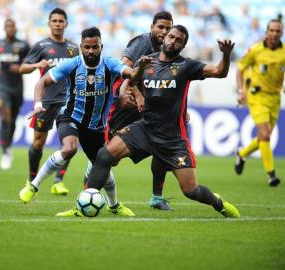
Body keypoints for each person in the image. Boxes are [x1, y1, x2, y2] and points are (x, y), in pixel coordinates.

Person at [77, 25, 240, 218]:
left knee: (191, 190)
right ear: (164, 38)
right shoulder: (148, 61)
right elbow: (131, 79)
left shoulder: (187, 66)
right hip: (145, 128)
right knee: (104, 155)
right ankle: (87, 201)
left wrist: (226, 55)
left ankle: (218, 202)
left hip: (173, 138)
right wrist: (129, 94)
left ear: (183, 45)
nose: (173, 41)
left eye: (179, 40)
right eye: (171, 36)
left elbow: (220, 72)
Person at [19, 26, 151, 217]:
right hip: (70, 117)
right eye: (87, 47)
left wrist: (140, 70)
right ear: (81, 46)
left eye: (95, 47)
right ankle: (33, 186)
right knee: (69, 148)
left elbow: (132, 76)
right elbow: (42, 82)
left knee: (103, 164)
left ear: (101, 46)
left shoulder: (110, 64)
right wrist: (38, 104)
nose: (91, 51)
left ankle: (114, 206)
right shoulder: (72, 64)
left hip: (95, 126)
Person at [104, 10, 175, 211]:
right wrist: (135, 93)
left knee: (162, 147)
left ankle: (156, 197)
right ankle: (88, 192)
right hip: (126, 106)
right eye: (160, 27)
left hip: (149, 108)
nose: (164, 31)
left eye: (168, 28)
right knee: (107, 156)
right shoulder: (141, 43)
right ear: (152, 27)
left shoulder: (171, 50)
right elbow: (123, 70)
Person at [19, 8, 79, 195]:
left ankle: (58, 181)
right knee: (38, 142)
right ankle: (32, 178)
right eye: (54, 21)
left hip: (67, 102)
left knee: (69, 142)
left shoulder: (74, 49)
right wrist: (37, 65)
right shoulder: (41, 45)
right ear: (49, 23)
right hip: (45, 102)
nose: (58, 24)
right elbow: (22, 68)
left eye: (61, 21)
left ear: (66, 24)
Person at [235, 19, 284, 187]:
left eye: (278, 31)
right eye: (272, 30)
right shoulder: (255, 50)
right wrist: (241, 91)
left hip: (275, 98)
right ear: (266, 31)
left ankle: (242, 154)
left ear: (282, 33)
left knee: (264, 136)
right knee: (265, 133)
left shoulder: (284, 52)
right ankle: (271, 175)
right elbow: (240, 68)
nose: (274, 34)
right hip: (257, 96)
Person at [0, 18, 30, 170]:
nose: (10, 29)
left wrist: (19, 68)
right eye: (8, 26)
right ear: (4, 28)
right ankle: (4, 151)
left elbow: (29, 63)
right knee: (5, 116)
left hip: (17, 87)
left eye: (13, 26)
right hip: (2, 86)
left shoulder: (23, 45)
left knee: (12, 120)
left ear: (15, 28)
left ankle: (8, 146)